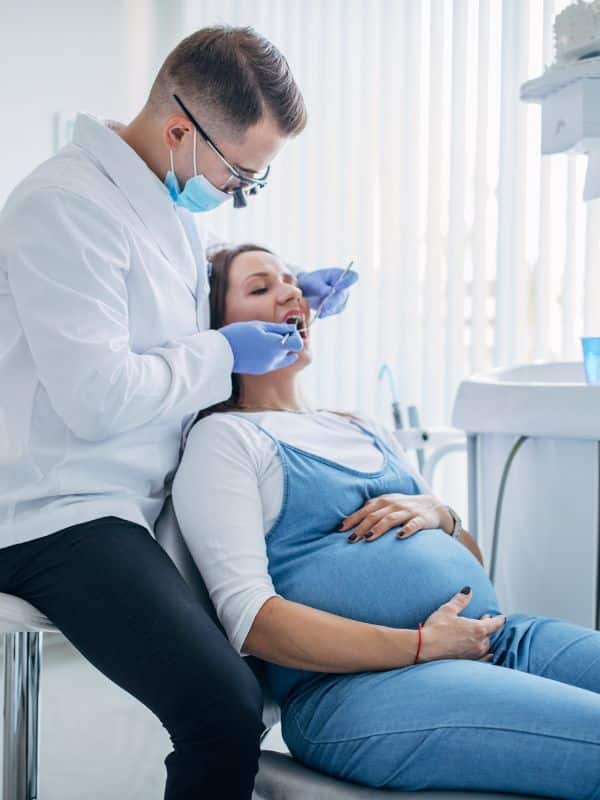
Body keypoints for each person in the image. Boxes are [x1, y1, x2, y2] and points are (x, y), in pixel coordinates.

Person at [0, 26, 358, 800]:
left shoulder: (163, 203)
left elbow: (184, 288)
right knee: (222, 708)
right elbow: (98, 400)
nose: (236, 194)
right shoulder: (62, 207)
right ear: (179, 132)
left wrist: (288, 281)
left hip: (134, 504)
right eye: (241, 177)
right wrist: (228, 352)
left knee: (264, 677)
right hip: (55, 514)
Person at [173, 243, 600, 799]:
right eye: (260, 288)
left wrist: (440, 514)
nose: (292, 292)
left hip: (498, 637)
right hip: (359, 690)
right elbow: (252, 620)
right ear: (217, 332)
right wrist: (421, 644)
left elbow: (468, 568)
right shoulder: (226, 440)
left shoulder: (361, 425)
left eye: (290, 280)